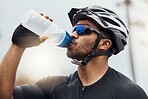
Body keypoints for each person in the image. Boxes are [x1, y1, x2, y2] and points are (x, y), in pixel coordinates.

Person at [0, 5, 147, 99]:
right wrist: (18, 45)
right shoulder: (53, 86)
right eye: (74, 29)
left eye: (82, 30)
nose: (74, 35)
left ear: (104, 44)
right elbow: (5, 94)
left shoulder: (128, 92)